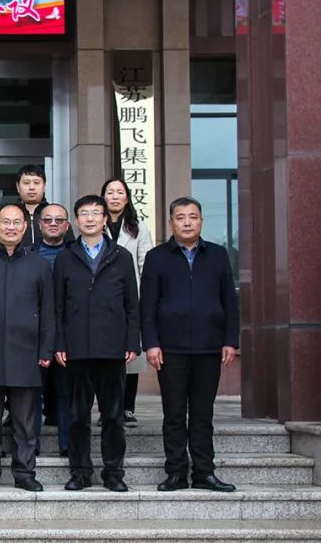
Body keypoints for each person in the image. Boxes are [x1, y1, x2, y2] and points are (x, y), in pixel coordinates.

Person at [142, 197, 239, 493]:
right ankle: (175, 473)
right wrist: (151, 343)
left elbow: (229, 301)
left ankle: (204, 473)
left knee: (202, 414)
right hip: (170, 349)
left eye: (193, 217)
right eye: (181, 217)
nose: (187, 222)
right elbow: (147, 305)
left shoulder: (218, 255)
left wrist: (230, 340)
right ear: (171, 222)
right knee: (173, 414)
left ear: (201, 221)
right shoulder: (157, 257)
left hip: (209, 347)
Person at [53, 195, 140, 493]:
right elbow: (58, 306)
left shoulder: (121, 256)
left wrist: (132, 341)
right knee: (78, 417)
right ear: (76, 221)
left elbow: (132, 304)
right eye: (84, 214)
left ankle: (113, 473)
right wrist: (59, 343)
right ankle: (80, 472)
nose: (90, 219)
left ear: (105, 219)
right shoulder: (66, 257)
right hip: (76, 350)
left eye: (95, 214)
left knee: (113, 416)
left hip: (112, 349)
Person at [0, 204, 54, 492]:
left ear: (25, 227)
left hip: (26, 353)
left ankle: (25, 472)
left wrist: (46, 350)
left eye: (16, 222)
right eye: (5, 222)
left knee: (25, 421)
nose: (10, 227)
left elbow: (48, 311)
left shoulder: (39, 265)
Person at [102, 178, 154, 427]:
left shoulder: (138, 226)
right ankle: (107, 409)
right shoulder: (96, 224)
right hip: (102, 300)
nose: (114, 196)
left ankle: (127, 407)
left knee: (131, 356)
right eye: (110, 192)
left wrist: (146, 297)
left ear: (127, 198)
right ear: (103, 197)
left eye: (119, 192)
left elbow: (146, 263)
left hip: (130, 298)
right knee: (105, 357)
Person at [36, 203, 73, 457]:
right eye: (47, 219)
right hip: (34, 333)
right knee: (31, 394)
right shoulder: (29, 254)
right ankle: (31, 445)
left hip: (68, 334)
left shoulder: (75, 255)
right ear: (39, 225)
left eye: (58, 220)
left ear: (67, 226)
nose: (52, 224)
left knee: (65, 394)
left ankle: (67, 445)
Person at [16, 164, 74, 247]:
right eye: (26, 183)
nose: (31, 187)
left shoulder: (56, 215)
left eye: (36, 183)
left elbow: (71, 246)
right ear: (18, 187)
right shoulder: (10, 215)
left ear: (44, 186)